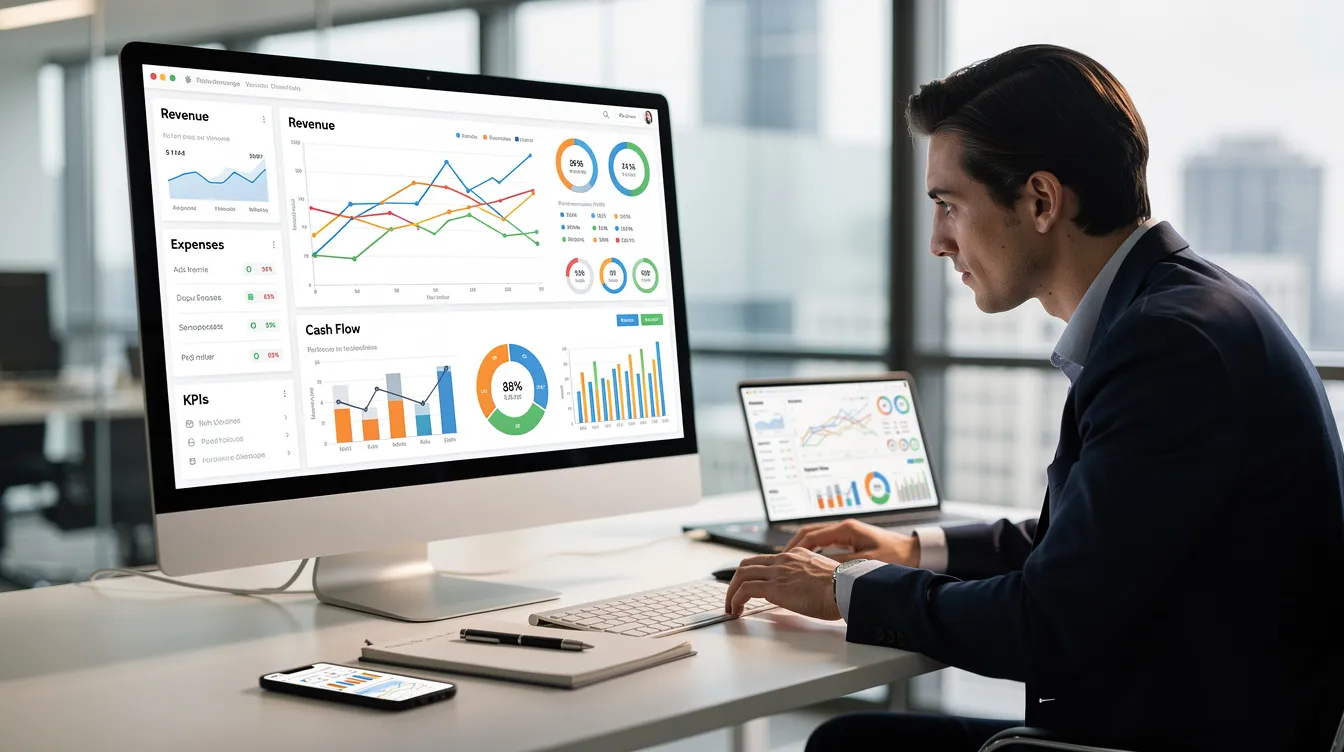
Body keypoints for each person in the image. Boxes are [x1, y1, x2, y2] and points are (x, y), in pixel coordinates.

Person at [723, 44, 1344, 751]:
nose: (937, 242)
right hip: (1189, 718)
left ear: (1041, 200)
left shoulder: (1168, 345)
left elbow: (1046, 621)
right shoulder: (1183, 307)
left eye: (950, 205)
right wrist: (908, 548)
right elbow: (1087, 550)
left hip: (1161, 737)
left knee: (850, 746)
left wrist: (845, 590)